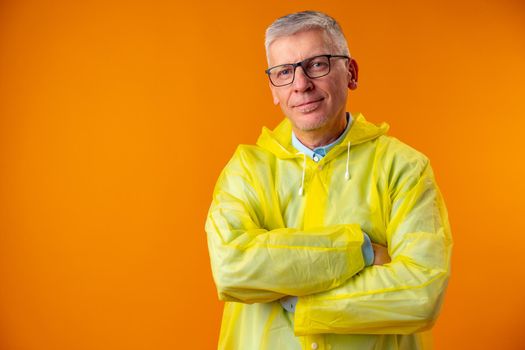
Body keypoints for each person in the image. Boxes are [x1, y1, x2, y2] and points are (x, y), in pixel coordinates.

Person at [205, 10, 452, 350]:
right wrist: (362, 250)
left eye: (317, 64)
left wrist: (300, 302)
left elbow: (421, 293)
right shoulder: (246, 170)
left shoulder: (405, 168)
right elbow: (233, 270)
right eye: (284, 72)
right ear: (273, 90)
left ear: (350, 72)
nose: (301, 84)